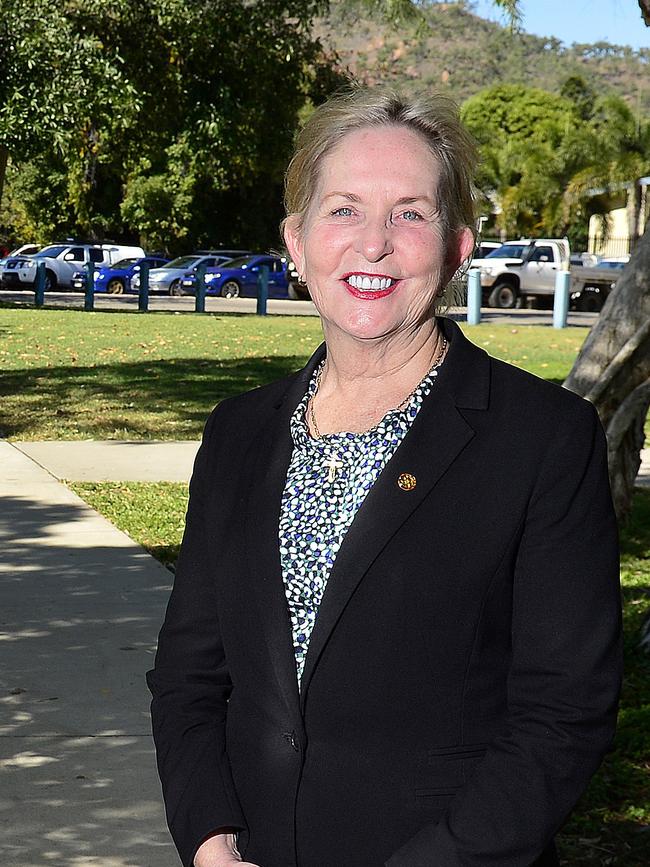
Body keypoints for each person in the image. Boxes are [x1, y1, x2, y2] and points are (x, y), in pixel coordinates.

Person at [147, 88, 622, 867]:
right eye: (342, 211)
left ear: (457, 247)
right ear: (295, 243)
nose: (373, 244)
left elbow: (563, 714)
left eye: (409, 213)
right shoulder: (237, 433)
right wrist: (207, 838)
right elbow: (188, 675)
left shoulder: (542, 438)